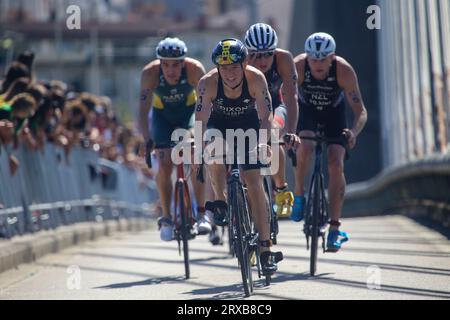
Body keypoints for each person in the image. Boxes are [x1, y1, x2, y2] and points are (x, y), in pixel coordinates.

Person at [195, 38, 295, 275]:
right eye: (224, 68)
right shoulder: (207, 83)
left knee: (255, 182)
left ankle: (265, 248)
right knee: (213, 152)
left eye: (233, 67)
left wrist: (263, 143)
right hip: (220, 125)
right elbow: (200, 120)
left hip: (251, 126)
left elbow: (266, 116)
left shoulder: (256, 79)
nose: (229, 73)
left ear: (244, 65)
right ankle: (220, 201)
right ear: (217, 68)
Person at [293, 32, 368, 251]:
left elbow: (360, 110)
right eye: (313, 59)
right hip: (307, 113)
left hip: (334, 115)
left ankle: (335, 228)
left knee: (336, 162)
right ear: (307, 57)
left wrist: (353, 132)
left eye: (322, 59)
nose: (317, 64)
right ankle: (299, 193)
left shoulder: (343, 71)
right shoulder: (298, 67)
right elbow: (286, 96)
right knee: (305, 145)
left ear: (332, 57)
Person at [138, 37, 211, 241]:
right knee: (164, 162)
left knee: (194, 156)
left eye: (176, 65)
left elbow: (205, 106)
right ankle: (167, 216)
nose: (170, 70)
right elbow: (143, 111)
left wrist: (202, 136)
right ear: (159, 63)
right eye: (166, 65)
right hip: (162, 118)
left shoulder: (195, 70)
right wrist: (146, 138)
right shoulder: (150, 73)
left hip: (188, 114)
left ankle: (202, 213)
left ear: (184, 62)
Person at [244, 23, 300, 218]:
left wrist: (291, 130)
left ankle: (281, 187)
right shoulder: (241, 62)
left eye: (267, 54)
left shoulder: (284, 58)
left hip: (276, 105)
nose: (262, 60)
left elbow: (292, 97)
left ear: (275, 51)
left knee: (274, 132)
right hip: (248, 109)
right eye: (256, 55)